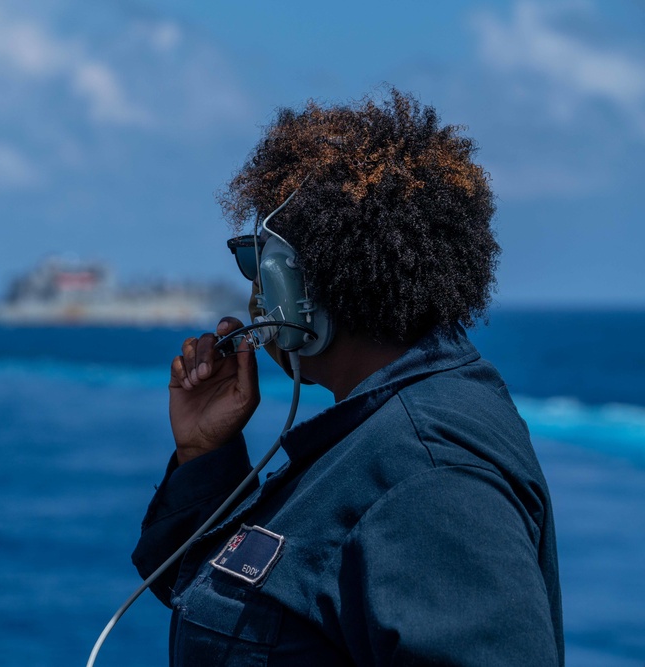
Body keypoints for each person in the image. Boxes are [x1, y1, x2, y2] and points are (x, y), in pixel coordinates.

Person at [131, 89, 564, 665]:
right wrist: (206, 457)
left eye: (258, 262)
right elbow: (241, 618)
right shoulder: (380, 436)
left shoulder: (431, 482)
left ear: (293, 282)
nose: (254, 290)